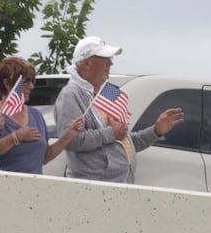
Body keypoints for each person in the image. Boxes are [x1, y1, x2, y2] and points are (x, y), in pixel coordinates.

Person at [53, 36, 184, 183]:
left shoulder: (108, 91)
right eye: (105, 58)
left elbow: (124, 140)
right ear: (87, 63)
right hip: (93, 188)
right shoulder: (71, 95)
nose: (110, 63)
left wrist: (156, 131)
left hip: (119, 185)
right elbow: (71, 141)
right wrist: (111, 132)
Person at [0, 56, 84, 174]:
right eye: (25, 81)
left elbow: (45, 157)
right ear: (7, 83)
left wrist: (69, 134)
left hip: (33, 188)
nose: (31, 86)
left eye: (32, 81)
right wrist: (15, 137)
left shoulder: (36, 115)